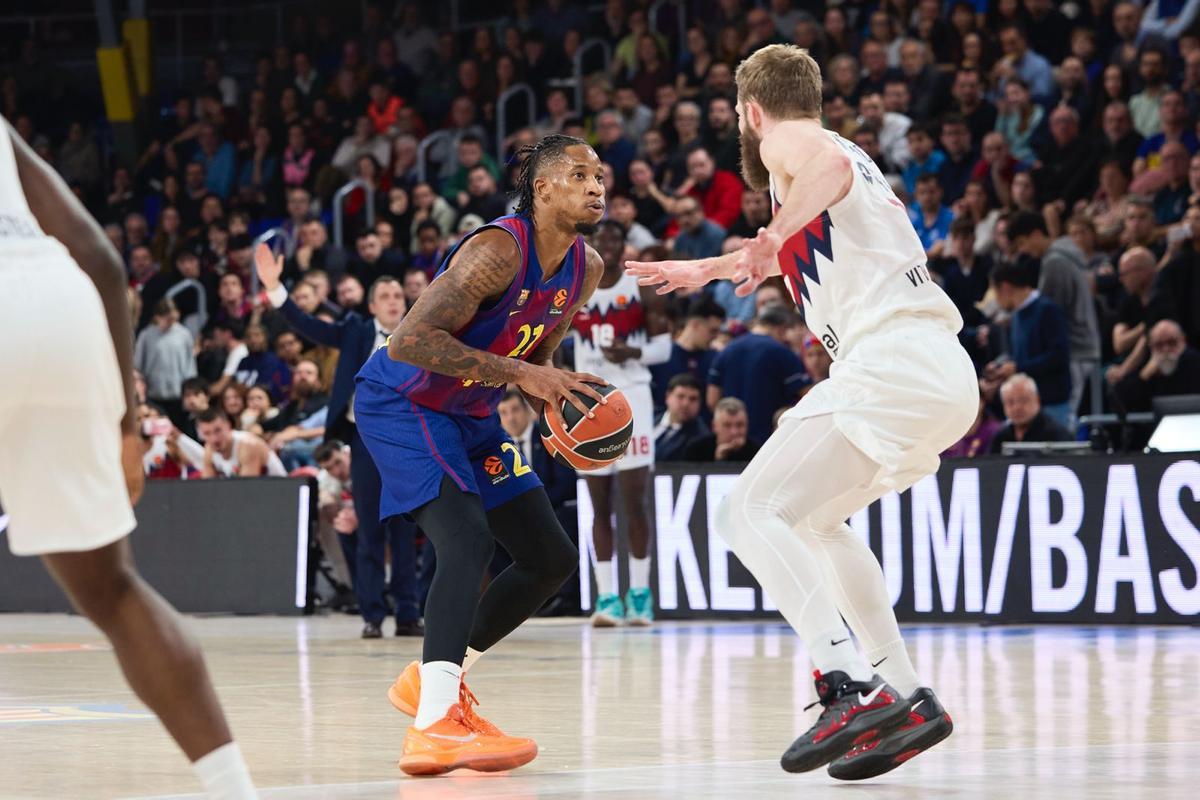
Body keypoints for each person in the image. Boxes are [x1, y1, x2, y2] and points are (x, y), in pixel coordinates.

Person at [627, 45, 976, 779]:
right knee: (815, 522)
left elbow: (828, 171)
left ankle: (844, 681)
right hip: (935, 372)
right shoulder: (831, 165)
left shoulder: (798, 145)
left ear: (752, 113)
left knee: (746, 513)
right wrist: (714, 267)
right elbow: (800, 221)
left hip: (893, 360)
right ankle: (908, 695)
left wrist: (773, 235)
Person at [0, 118, 256, 797]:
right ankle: (233, 789)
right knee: (113, 590)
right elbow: (103, 259)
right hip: (59, 311)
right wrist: (125, 426)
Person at [353, 134, 607, 775]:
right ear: (543, 188)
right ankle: (435, 725)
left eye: (600, 175)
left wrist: (559, 401)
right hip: (403, 401)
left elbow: (537, 352)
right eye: (579, 174)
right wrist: (521, 376)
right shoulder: (495, 251)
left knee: (549, 558)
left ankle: (436, 679)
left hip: (468, 411)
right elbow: (410, 341)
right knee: (465, 539)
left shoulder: (587, 267)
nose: (597, 185)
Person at [255, 252, 422, 640]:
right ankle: (372, 615)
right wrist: (274, 289)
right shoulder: (355, 331)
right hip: (364, 440)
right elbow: (309, 325)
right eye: (385, 295)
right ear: (371, 305)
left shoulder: (421, 333)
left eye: (398, 294)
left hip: (410, 439)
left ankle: (410, 612)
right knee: (369, 527)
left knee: (406, 527)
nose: (394, 300)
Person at [568, 220, 670, 627]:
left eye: (614, 240)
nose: (607, 247)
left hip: (632, 399)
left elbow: (665, 346)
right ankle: (606, 596)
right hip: (587, 401)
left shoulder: (637, 286)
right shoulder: (575, 288)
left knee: (635, 501)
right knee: (599, 504)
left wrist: (632, 351)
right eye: (600, 240)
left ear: (624, 245)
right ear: (591, 244)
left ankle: (640, 594)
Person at [707, 304, 808, 444]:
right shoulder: (784, 353)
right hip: (769, 442)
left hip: (730, 440)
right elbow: (807, 396)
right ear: (782, 328)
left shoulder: (726, 351)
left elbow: (712, 400)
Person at [988, 373, 1073, 452]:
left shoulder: (1056, 435)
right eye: (1010, 402)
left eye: (1023, 400)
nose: (1017, 407)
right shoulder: (1000, 437)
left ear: (1037, 401)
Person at [682, 396, 760, 461]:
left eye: (740, 425)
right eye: (727, 425)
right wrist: (719, 459)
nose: (734, 432)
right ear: (714, 426)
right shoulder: (696, 449)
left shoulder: (758, 453)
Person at [654, 374, 710, 461]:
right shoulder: (649, 418)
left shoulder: (700, 438)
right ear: (668, 397)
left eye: (693, 399)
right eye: (680, 396)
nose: (686, 404)